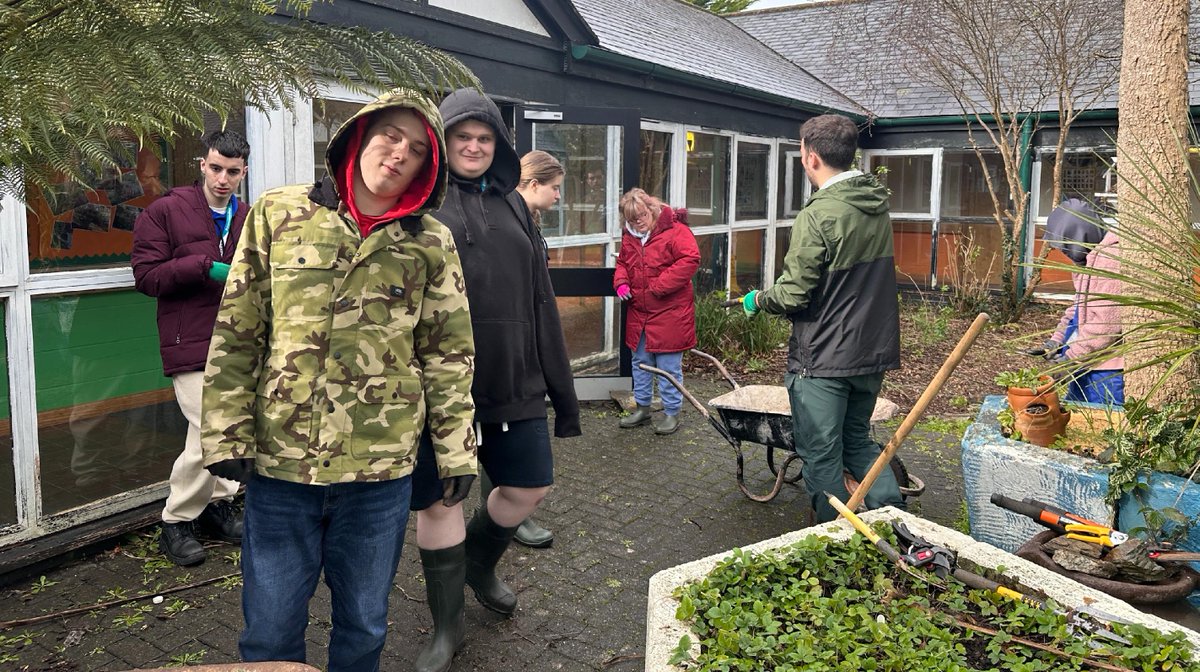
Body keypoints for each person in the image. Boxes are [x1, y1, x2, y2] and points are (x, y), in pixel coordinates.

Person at [199, 89, 478, 672]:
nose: (400, 153)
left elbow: (447, 354)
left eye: (419, 149)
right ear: (359, 134)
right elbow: (239, 331)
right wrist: (225, 431)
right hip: (281, 464)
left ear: (429, 168)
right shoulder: (281, 212)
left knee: (363, 625)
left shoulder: (430, 241)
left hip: (379, 472)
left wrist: (456, 451)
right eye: (391, 136)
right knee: (269, 630)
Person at [407, 88, 581, 672]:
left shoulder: (514, 204)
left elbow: (540, 299)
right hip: (438, 389)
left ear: (498, 145)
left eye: (484, 138)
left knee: (529, 487)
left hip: (514, 376)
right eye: (464, 137)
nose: (475, 147)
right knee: (440, 501)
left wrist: (562, 391)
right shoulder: (418, 206)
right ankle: (446, 626)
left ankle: (479, 563)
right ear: (444, 141)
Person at [738, 114, 904, 524]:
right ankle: (895, 522)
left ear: (811, 157)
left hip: (825, 358)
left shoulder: (819, 214)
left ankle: (832, 539)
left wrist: (758, 299)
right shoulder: (874, 203)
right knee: (858, 441)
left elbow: (795, 293)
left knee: (821, 453)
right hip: (871, 350)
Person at [130, 130, 250, 567]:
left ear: (243, 173)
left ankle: (218, 506)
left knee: (224, 430)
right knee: (213, 433)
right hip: (189, 341)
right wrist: (203, 267)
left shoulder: (248, 217)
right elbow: (146, 276)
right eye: (216, 168)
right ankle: (176, 520)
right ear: (202, 164)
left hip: (240, 341)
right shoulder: (165, 211)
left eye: (232, 172)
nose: (223, 178)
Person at [481, 149, 566, 550]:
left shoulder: (527, 221)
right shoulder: (502, 220)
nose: (559, 196)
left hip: (526, 342)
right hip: (502, 351)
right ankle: (502, 512)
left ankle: (507, 510)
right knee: (496, 428)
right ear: (533, 185)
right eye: (555, 188)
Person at [612, 188, 700, 435]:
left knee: (668, 367)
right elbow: (622, 263)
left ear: (651, 209)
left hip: (670, 313)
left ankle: (672, 413)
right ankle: (642, 409)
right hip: (640, 314)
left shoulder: (676, 231)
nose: (637, 222)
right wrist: (621, 282)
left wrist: (659, 286)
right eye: (631, 219)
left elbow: (690, 260)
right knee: (640, 363)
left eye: (640, 215)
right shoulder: (629, 236)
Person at [1040, 198, 1124, 405]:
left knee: (1103, 428)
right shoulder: (1088, 257)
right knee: (1075, 418)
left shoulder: (1111, 260)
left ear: (1078, 234)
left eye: (1066, 245)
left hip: (1107, 370)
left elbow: (1106, 324)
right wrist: (1056, 341)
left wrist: (1070, 359)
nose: (1066, 252)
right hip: (1085, 361)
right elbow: (1078, 308)